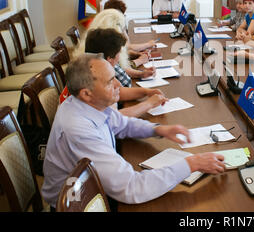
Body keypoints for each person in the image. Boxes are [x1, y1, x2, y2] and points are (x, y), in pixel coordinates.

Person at [42, 53, 226, 209]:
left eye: (114, 77)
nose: (117, 85)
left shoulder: (89, 104)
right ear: (86, 93)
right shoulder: (78, 129)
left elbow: (122, 124)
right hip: (78, 204)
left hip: (92, 188)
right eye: (109, 82)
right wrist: (192, 164)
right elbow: (131, 188)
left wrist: (159, 129)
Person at [85, 28, 168, 117]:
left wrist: (147, 92)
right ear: (109, 59)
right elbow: (114, 119)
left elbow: (120, 92)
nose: (117, 85)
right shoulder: (94, 80)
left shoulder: (92, 66)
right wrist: (149, 104)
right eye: (119, 53)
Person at [73, 9, 156, 81]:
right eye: (122, 30)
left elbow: (119, 66)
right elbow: (120, 71)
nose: (125, 36)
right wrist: (139, 62)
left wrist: (140, 71)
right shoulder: (105, 51)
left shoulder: (93, 40)